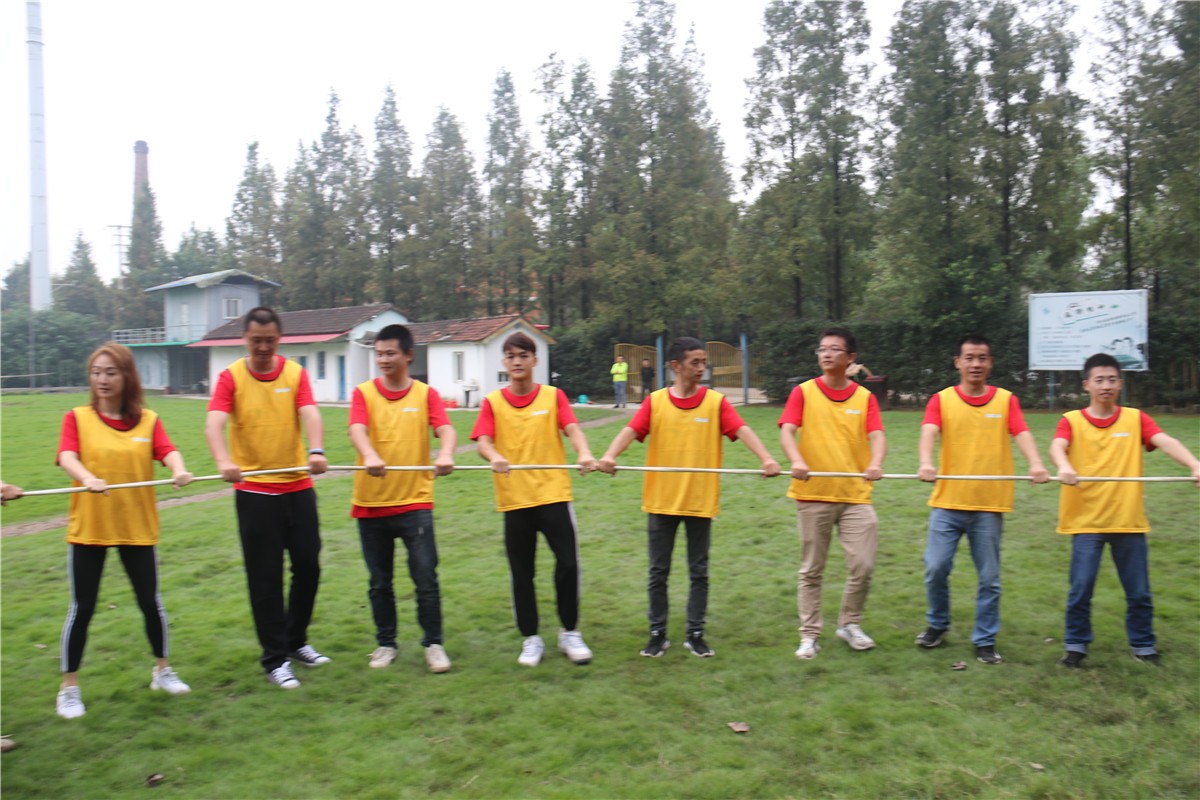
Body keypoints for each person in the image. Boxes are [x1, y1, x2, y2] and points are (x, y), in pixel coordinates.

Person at [599, 336, 781, 658]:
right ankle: (657, 634)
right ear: (675, 366)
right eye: (695, 362)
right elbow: (631, 430)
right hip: (661, 501)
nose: (701, 368)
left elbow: (742, 430)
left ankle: (695, 634)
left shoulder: (715, 402)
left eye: (703, 362)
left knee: (699, 572)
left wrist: (766, 459)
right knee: (658, 572)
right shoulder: (655, 402)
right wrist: (610, 456)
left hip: (699, 501)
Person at [54, 343, 194, 719]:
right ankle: (69, 688)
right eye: (96, 372)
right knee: (82, 608)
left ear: (127, 376)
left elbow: (168, 450)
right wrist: (87, 478)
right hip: (91, 527)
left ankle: (162, 671)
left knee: (150, 602)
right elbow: (67, 456)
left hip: (136, 526)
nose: (102, 379)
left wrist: (178, 469)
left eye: (111, 372)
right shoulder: (77, 418)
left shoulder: (148, 420)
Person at [204, 307, 330, 690]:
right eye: (256, 341)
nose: (262, 347)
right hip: (256, 493)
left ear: (279, 339)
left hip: (298, 487)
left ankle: (296, 641)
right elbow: (214, 424)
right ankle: (275, 659)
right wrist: (224, 461)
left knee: (308, 567)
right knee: (265, 578)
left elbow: (310, 414)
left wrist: (316, 449)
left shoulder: (294, 374)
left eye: (270, 341)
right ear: (245, 339)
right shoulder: (231, 377)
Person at [1049, 353, 1200, 669]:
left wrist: (1194, 464)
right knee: (1080, 590)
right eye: (1099, 380)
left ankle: (1143, 645)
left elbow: (1165, 441)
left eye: (1111, 379)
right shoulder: (1071, 420)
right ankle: (1076, 646)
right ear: (1086, 385)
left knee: (1139, 592)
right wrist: (1064, 466)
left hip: (1127, 521)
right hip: (1086, 522)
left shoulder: (1135, 418)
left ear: (1120, 383)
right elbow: (1057, 446)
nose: (1106, 385)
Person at [915, 335, 1050, 665]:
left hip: (989, 506)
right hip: (947, 503)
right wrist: (926, 462)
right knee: (935, 567)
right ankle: (937, 624)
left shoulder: (1005, 400)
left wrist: (1035, 463)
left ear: (990, 363)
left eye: (982, 358)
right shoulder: (941, 400)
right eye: (969, 358)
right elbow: (929, 431)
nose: (975, 364)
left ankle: (985, 640)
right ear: (958, 362)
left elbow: (1021, 433)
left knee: (989, 578)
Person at [472, 332, 599, 667]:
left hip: (554, 495)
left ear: (535, 360)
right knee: (522, 572)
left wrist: (584, 453)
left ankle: (569, 632)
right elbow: (482, 441)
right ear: (504, 362)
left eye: (523, 356)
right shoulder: (493, 402)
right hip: (515, 500)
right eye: (511, 356)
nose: (517, 362)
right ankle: (531, 638)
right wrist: (494, 455)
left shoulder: (553, 396)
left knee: (568, 564)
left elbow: (572, 429)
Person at [349, 324, 455, 673]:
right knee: (380, 583)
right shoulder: (364, 393)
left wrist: (446, 453)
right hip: (371, 503)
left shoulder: (425, 394)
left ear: (408, 355)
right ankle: (385, 644)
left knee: (426, 578)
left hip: (415, 503)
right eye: (379, 354)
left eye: (390, 353)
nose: (383, 359)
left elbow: (445, 429)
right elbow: (357, 429)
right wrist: (369, 454)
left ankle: (433, 644)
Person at [779, 327, 886, 661]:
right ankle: (809, 635)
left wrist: (876, 463)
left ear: (850, 358)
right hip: (813, 494)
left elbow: (877, 435)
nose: (826, 354)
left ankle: (850, 623)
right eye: (822, 349)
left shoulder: (864, 398)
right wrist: (796, 460)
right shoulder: (803, 392)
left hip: (855, 495)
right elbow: (787, 431)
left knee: (863, 565)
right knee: (812, 569)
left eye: (834, 349)